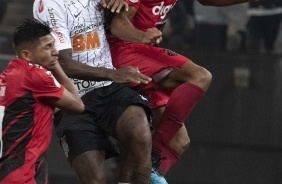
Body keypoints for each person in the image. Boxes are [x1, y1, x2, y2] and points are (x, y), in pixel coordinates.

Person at [106, 0, 261, 183]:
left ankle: (147, 173)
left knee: (179, 141)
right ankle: (154, 154)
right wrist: (141, 35)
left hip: (144, 52)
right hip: (124, 51)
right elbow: (117, 24)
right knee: (200, 76)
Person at [33, 0, 154, 183]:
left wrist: (122, 4)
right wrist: (113, 74)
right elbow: (62, 62)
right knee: (94, 180)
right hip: (72, 99)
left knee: (140, 135)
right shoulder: (49, 3)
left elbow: (118, 21)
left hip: (109, 89)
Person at [0, 18, 84, 184]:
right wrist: (55, 66)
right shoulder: (35, 76)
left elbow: (36, 112)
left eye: (54, 44)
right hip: (23, 173)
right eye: (48, 46)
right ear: (26, 54)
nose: (56, 52)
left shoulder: (7, 76)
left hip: (13, 170)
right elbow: (77, 105)